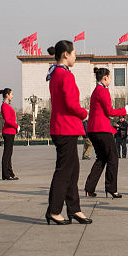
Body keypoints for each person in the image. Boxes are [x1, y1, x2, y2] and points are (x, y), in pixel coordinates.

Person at [45, 40, 92, 225]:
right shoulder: (65, 75)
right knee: (65, 171)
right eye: (73, 53)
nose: (75, 56)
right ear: (65, 54)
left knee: (72, 170)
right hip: (66, 127)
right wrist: (84, 113)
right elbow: (71, 104)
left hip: (62, 126)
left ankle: (74, 209)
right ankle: (54, 210)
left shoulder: (55, 73)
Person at [84, 67, 128, 198]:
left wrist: (123, 110)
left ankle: (90, 187)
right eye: (110, 77)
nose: (110, 80)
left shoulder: (96, 90)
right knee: (113, 158)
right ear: (105, 77)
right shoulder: (103, 91)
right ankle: (111, 188)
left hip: (93, 129)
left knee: (101, 158)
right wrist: (125, 111)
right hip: (102, 129)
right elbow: (110, 112)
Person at [0, 88, 20, 181]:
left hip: (10, 131)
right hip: (8, 131)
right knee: (7, 153)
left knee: (9, 153)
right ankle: (6, 174)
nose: (12, 96)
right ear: (7, 95)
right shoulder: (5, 106)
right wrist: (16, 125)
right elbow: (8, 120)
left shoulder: (7, 105)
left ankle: (9, 173)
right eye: (11, 94)